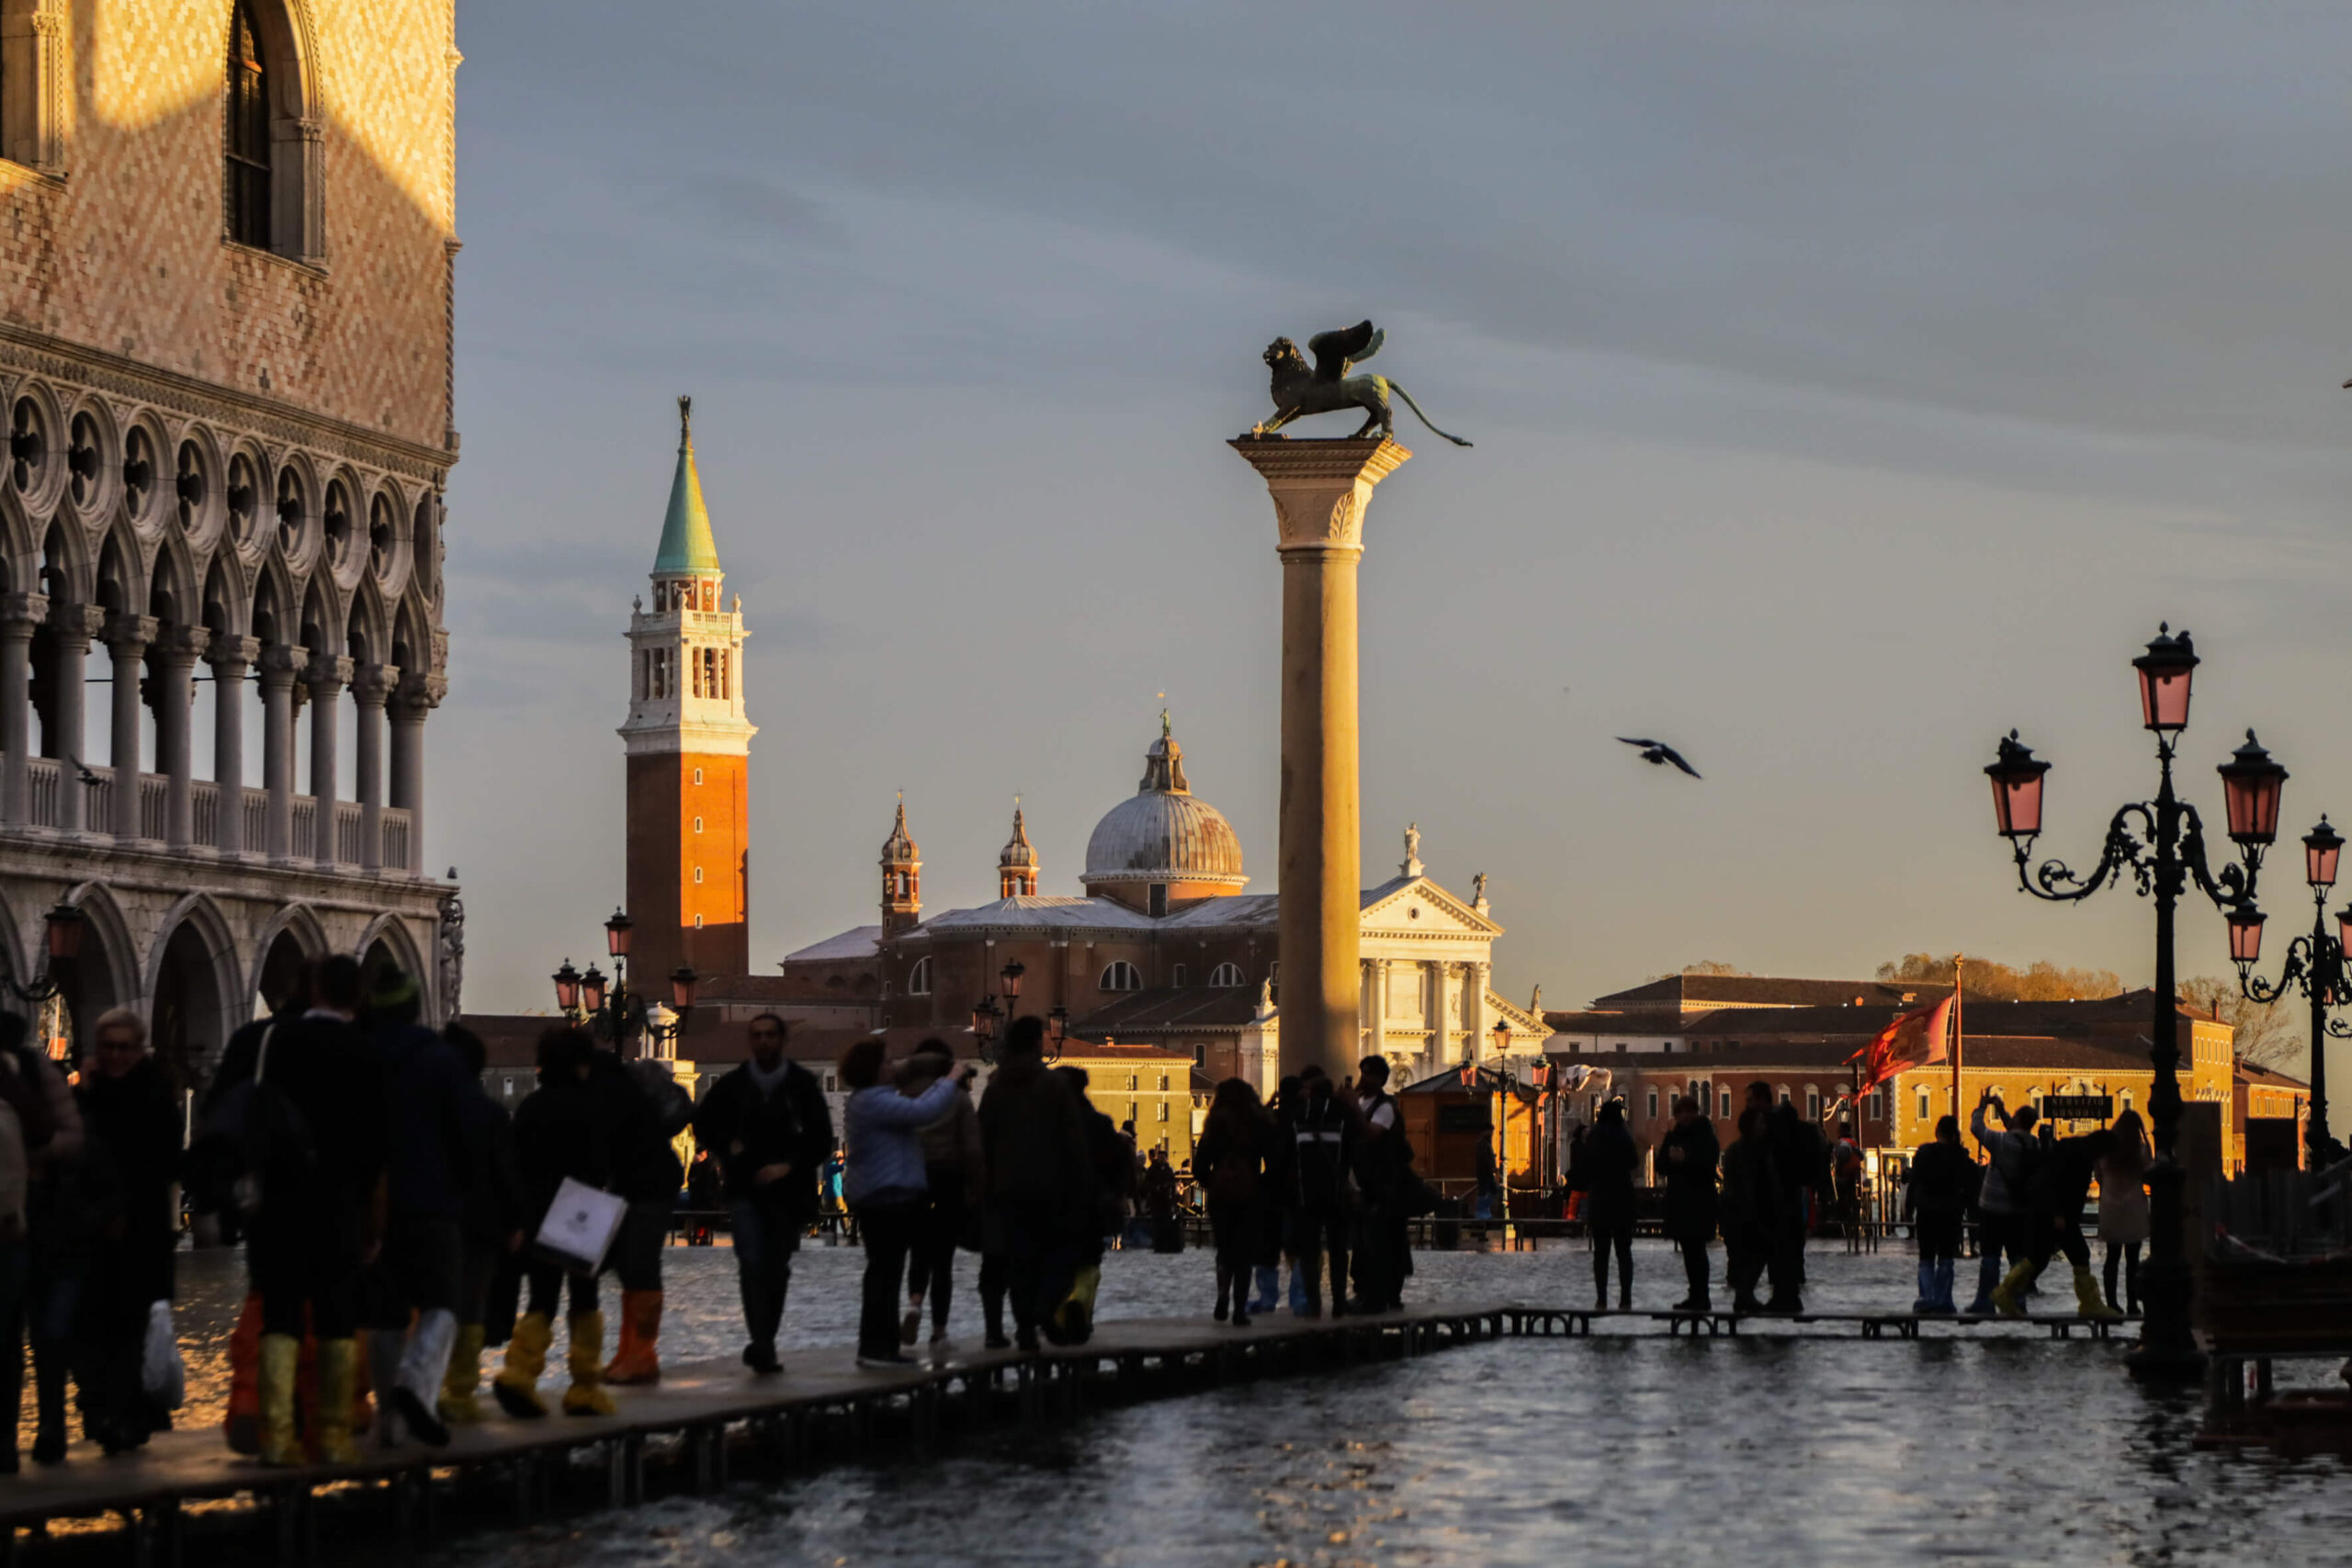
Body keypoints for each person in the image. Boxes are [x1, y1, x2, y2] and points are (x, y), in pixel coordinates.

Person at [250, 955, 387, 1465]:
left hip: (281, 1200)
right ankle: (330, 1435)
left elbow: (259, 1117)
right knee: (336, 1318)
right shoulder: (366, 1052)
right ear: (357, 997)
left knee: (281, 1315)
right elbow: (376, 1144)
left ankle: (277, 1436)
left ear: (314, 990)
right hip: (339, 1203)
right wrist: (372, 1220)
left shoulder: (277, 1041)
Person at [361, 969, 475, 1450]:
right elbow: (465, 1133)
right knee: (442, 1303)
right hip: (431, 1200)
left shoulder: (359, 1057)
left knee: (386, 1314)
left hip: (372, 1206)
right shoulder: (440, 1060)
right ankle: (413, 1384)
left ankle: (389, 1417)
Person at [495, 1027, 629, 1418]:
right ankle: (584, 1386)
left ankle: (519, 1373)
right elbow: (601, 1165)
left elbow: (515, 1163)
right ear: (580, 1063)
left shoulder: (530, 1107)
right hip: (579, 1212)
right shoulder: (591, 1107)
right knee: (585, 1298)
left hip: (536, 1212)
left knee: (541, 1298)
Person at [691, 1013, 832, 1373]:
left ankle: (765, 1338)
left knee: (777, 1267)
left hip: (788, 1192)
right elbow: (702, 1123)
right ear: (750, 1040)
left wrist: (789, 1165)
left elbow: (820, 1139)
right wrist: (727, 1146)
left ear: (782, 1040)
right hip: (745, 1188)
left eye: (770, 1034)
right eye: (757, 1035)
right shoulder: (733, 1085)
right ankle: (762, 1342)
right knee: (752, 1262)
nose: (763, 1041)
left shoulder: (802, 1085)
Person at [73, 1010, 179, 1457]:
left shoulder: (155, 1093)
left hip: (141, 1231)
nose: (115, 1055)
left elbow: (163, 1161)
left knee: (131, 1327)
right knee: (91, 1325)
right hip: (92, 1230)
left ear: (139, 1049)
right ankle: (102, 1411)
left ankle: (127, 1416)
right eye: (108, 1047)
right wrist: (83, 1089)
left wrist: (126, 1208)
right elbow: (73, 1148)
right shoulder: (90, 1094)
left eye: (124, 1047)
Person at [840, 1039, 967, 1369]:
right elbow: (923, 1112)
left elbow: (914, 1104)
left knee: (886, 1274)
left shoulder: (871, 1099)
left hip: (882, 1196)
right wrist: (950, 1079)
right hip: (886, 1197)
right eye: (886, 1062)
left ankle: (882, 1345)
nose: (892, 1066)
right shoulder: (874, 1101)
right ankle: (877, 1348)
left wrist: (926, 1071)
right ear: (872, 1069)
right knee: (884, 1276)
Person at [977, 1016, 1095, 1352]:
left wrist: (985, 1187)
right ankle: (1043, 1308)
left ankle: (1025, 1329)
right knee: (1061, 1255)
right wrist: (1082, 1185)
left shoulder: (995, 1088)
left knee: (1019, 1262)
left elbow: (982, 1139)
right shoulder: (1054, 1086)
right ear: (1036, 1045)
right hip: (1051, 1187)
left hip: (1007, 1190)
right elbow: (1073, 1141)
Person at [437, 1023, 524, 1427]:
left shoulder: (425, 1111)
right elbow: (506, 1173)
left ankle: (424, 1385)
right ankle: (459, 1392)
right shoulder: (490, 1113)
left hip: (432, 1218)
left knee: (433, 1304)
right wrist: (515, 1221)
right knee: (471, 1306)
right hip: (481, 1226)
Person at [1991, 1125, 2123, 1322]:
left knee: (2039, 1258)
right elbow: (2055, 1183)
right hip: (2057, 1215)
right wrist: (2058, 1213)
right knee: (2078, 1256)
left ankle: (2005, 1291)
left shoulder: (2071, 1149)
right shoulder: (2079, 1157)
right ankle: (2089, 1304)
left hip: (2047, 1212)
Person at [900, 1041, 981, 1353]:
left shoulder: (905, 1093)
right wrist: (977, 1184)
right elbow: (972, 1147)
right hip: (949, 1178)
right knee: (943, 1260)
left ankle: (914, 1303)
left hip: (914, 1178)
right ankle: (939, 1331)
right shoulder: (958, 1097)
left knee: (919, 1250)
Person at [1193, 1078, 1271, 1327]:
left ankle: (1222, 1296)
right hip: (1249, 1196)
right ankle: (1240, 1309)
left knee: (1224, 1250)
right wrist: (1259, 1185)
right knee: (1244, 1253)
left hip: (1221, 1197)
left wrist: (1212, 1182)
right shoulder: (1257, 1123)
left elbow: (1199, 1166)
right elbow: (1272, 1161)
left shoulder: (1215, 1125)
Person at [1283, 1067, 1353, 1319]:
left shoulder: (1299, 1115)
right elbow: (1350, 1153)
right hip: (1335, 1192)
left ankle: (1314, 1304)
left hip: (1307, 1192)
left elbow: (1289, 1154)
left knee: (1309, 1252)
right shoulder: (1342, 1115)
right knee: (1338, 1250)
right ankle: (1339, 1303)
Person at [1349, 1056, 1412, 1314]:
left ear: (1381, 1079)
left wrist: (1351, 1107)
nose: (1364, 1079)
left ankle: (1386, 1295)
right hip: (1363, 1183)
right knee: (1363, 1243)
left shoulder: (1385, 1107)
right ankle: (1364, 1292)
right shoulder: (1361, 1103)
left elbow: (1371, 1134)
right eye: (1362, 1073)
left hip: (1386, 1185)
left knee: (1385, 1241)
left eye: (1369, 1075)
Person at [1965, 1095, 2039, 1315]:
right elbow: (2016, 1133)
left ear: (2018, 1120)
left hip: (1993, 1208)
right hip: (2020, 1210)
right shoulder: (2035, 1144)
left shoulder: (2001, 1141)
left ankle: (1985, 1301)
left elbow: (1977, 1128)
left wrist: (1982, 1107)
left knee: (1990, 1257)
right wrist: (2003, 1111)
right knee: (2017, 1257)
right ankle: (2018, 1301)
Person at [1757, 1087, 1824, 1314]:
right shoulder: (1800, 1136)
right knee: (1792, 1251)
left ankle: (1784, 1297)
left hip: (1781, 1203)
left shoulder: (1779, 1141)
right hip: (1793, 1203)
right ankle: (1789, 1295)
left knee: (1781, 1250)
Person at [1658, 1095, 1719, 1313]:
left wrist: (1685, 1160)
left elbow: (1707, 1165)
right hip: (1680, 1201)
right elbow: (1660, 1166)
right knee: (1688, 1251)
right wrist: (1670, 1158)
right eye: (1679, 1113)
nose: (1683, 1117)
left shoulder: (1706, 1136)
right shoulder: (1673, 1136)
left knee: (1698, 1251)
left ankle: (1702, 1296)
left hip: (1699, 1201)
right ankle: (1694, 1294)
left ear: (1695, 1112)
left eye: (1687, 1112)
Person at [1903, 1115, 1969, 1314]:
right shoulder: (1960, 1156)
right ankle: (1944, 1299)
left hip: (1926, 1211)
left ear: (1937, 1132)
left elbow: (1914, 1183)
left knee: (1926, 1257)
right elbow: (1965, 1187)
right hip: (1950, 1213)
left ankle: (1926, 1298)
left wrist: (1908, 1208)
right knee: (1947, 1257)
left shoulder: (1924, 1153)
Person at [1717, 1108, 1779, 1314]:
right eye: (1759, 1122)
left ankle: (1744, 1295)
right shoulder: (1747, 1151)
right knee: (1752, 1254)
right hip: (1745, 1212)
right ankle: (1744, 1295)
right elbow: (1746, 1184)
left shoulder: (1744, 1149)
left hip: (1744, 1211)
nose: (1763, 1126)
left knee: (1749, 1256)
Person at [1583, 1099, 1638, 1310]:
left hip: (1599, 1199)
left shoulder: (1594, 1136)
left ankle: (1601, 1299)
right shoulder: (1624, 1135)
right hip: (1622, 1198)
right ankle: (1626, 1299)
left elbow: (1586, 1165)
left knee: (1601, 1253)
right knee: (1624, 1253)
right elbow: (1634, 1162)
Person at [2098, 1109, 2151, 1316]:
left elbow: (2098, 1176)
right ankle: (2132, 1304)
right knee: (2133, 1261)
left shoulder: (2106, 1151)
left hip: (2111, 1207)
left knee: (2111, 1258)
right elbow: (2149, 1175)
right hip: (2134, 1208)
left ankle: (2111, 1303)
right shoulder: (2140, 1151)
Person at [1142, 1147, 1182, 1254]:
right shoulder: (1152, 1169)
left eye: (1163, 1157)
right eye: (1160, 1157)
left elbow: (1173, 1182)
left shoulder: (1168, 1170)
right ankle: (1158, 1243)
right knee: (1157, 1222)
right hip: (1156, 1200)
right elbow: (1147, 1182)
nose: (1161, 1159)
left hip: (1166, 1200)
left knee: (1166, 1221)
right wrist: (1155, 1188)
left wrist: (1173, 1195)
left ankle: (1165, 1243)